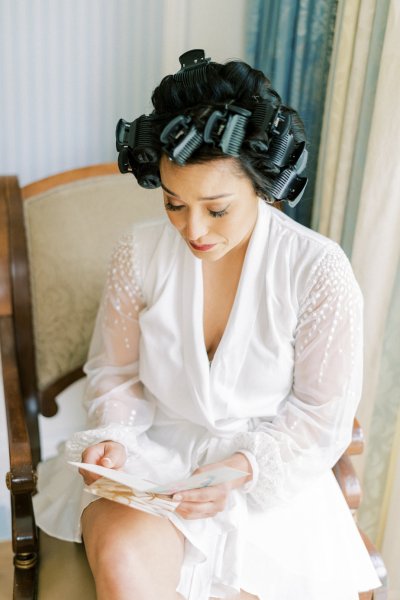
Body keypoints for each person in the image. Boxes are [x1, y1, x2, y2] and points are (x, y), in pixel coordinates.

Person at [33, 49, 381, 600]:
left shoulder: (318, 271)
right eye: (174, 204)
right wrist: (115, 441)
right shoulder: (138, 251)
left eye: (216, 209)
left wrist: (241, 470)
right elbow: (116, 374)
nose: (192, 229)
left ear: (262, 188)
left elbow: (320, 415)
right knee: (124, 566)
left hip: (268, 478)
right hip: (152, 464)